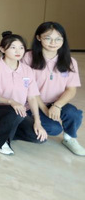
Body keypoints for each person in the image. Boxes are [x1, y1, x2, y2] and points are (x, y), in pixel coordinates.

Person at [22, 22, 84, 156]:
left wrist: (57, 105)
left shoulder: (70, 61)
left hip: (54, 102)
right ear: (38, 37)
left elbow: (71, 89)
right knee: (54, 128)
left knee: (74, 114)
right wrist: (45, 109)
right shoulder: (28, 58)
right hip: (31, 104)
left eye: (58, 39)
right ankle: (19, 123)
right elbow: (29, 89)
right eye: (48, 38)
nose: (53, 43)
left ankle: (69, 138)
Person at [0, 32, 47, 155]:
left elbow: (32, 97)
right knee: (15, 112)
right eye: (13, 47)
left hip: (18, 111)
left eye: (21, 48)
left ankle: (3, 131)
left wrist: (37, 122)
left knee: (39, 138)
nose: (18, 51)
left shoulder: (27, 70)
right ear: (2, 49)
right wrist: (11, 102)